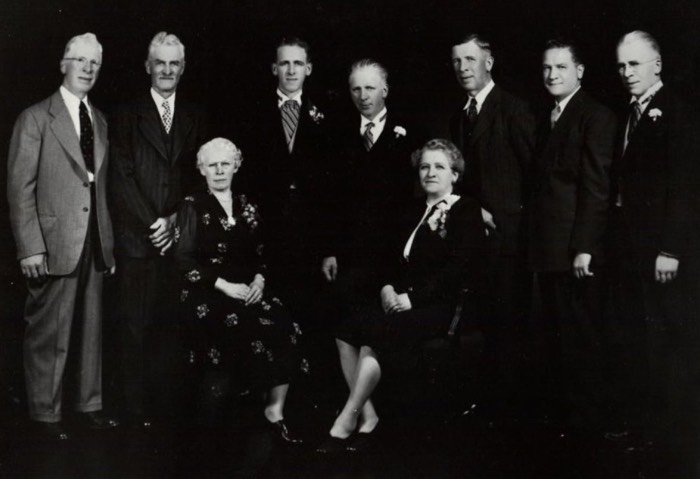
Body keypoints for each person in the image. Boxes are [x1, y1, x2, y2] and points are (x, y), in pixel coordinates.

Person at [317, 139, 484, 453]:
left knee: (375, 333)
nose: (430, 173)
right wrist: (387, 288)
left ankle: (347, 418)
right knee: (345, 331)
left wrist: (413, 298)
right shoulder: (411, 209)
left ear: (455, 174)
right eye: (425, 167)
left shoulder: (465, 209)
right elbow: (391, 261)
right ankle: (368, 415)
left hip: (442, 307)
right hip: (403, 300)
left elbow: (461, 268)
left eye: (439, 167)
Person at [7, 32, 118, 440]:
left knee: (91, 330)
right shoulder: (35, 118)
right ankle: (44, 414)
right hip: (52, 244)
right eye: (80, 61)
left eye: (94, 63)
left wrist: (109, 246)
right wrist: (30, 248)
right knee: (48, 332)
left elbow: (100, 189)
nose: (88, 69)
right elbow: (20, 189)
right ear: (63, 65)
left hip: (95, 241)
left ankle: (88, 406)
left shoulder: (100, 120)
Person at [174, 138, 309, 444]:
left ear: (236, 166)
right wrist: (224, 286)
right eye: (212, 165)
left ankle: (274, 411)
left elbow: (262, 253)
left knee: (286, 324)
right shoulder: (192, 205)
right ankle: (225, 424)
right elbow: (183, 261)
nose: (219, 170)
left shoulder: (247, 203)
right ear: (202, 170)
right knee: (241, 327)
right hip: (207, 291)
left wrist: (259, 281)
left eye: (225, 164)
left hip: (247, 288)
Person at [109, 31, 209, 426]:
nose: (167, 70)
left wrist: (173, 221)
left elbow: (198, 179)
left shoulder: (195, 115)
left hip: (177, 239)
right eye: (160, 63)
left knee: (173, 329)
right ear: (147, 67)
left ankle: (168, 413)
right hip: (139, 239)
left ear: (183, 69)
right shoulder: (126, 114)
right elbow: (120, 176)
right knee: (134, 328)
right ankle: (135, 414)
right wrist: (154, 223)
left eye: (174, 64)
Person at [608, 31, 699, 454]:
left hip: (661, 252)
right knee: (636, 337)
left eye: (635, 64)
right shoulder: (628, 113)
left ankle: (668, 437)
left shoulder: (677, 114)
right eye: (622, 65)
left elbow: (685, 187)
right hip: (630, 249)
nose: (627, 73)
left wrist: (670, 250)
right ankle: (643, 427)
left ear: (657, 65)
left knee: (664, 340)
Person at [528, 39, 615, 435]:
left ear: (579, 71)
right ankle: (570, 423)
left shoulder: (595, 115)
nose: (552, 75)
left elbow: (597, 188)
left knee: (581, 337)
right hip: (550, 248)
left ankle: (589, 424)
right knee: (559, 336)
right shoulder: (550, 114)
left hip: (575, 250)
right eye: (547, 68)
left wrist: (584, 248)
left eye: (561, 67)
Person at [449, 34, 534, 419]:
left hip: (508, 240)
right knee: (481, 324)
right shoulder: (458, 115)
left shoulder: (514, 109)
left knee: (509, 326)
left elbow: (533, 177)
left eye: (470, 59)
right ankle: (486, 407)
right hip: (473, 239)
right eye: (457, 61)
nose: (463, 68)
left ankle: (511, 413)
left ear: (489, 62)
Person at [240, 36, 329, 342]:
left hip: (310, 236)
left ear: (309, 69)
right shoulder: (253, 111)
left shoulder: (326, 113)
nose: (291, 71)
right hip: (268, 230)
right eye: (284, 63)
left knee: (311, 317)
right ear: (274, 68)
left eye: (298, 64)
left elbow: (334, 184)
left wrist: (328, 247)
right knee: (272, 319)